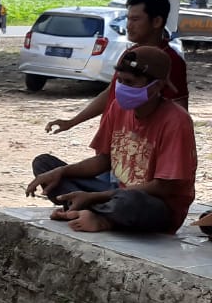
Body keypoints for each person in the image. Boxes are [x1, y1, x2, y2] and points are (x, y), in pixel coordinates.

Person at [26, 46, 195, 234]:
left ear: (156, 86)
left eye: (130, 82)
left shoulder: (176, 121)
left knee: (130, 202)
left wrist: (95, 197)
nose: (122, 88)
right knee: (45, 166)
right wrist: (61, 171)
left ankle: (99, 217)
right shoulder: (118, 107)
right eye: (120, 81)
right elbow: (104, 160)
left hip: (154, 205)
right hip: (114, 193)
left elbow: (164, 187)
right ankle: (87, 210)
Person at [45, 0, 188, 135]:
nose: (128, 26)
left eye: (135, 19)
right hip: (115, 137)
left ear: (157, 21)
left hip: (141, 144)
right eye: (128, 19)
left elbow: (179, 111)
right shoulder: (130, 54)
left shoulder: (170, 62)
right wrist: (72, 122)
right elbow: (110, 93)